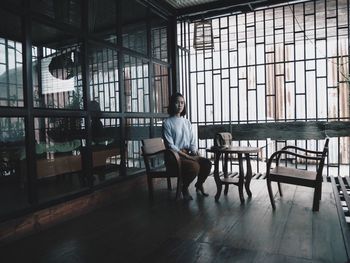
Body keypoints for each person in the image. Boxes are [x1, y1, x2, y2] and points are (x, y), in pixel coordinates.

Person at [162, 92, 212, 200]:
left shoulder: (186, 122)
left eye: (182, 103)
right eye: (177, 102)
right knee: (194, 167)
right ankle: (184, 187)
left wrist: (194, 151)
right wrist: (186, 156)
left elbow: (192, 141)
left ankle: (199, 185)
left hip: (187, 154)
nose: (180, 105)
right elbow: (170, 145)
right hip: (174, 156)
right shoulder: (167, 123)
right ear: (172, 104)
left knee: (207, 163)